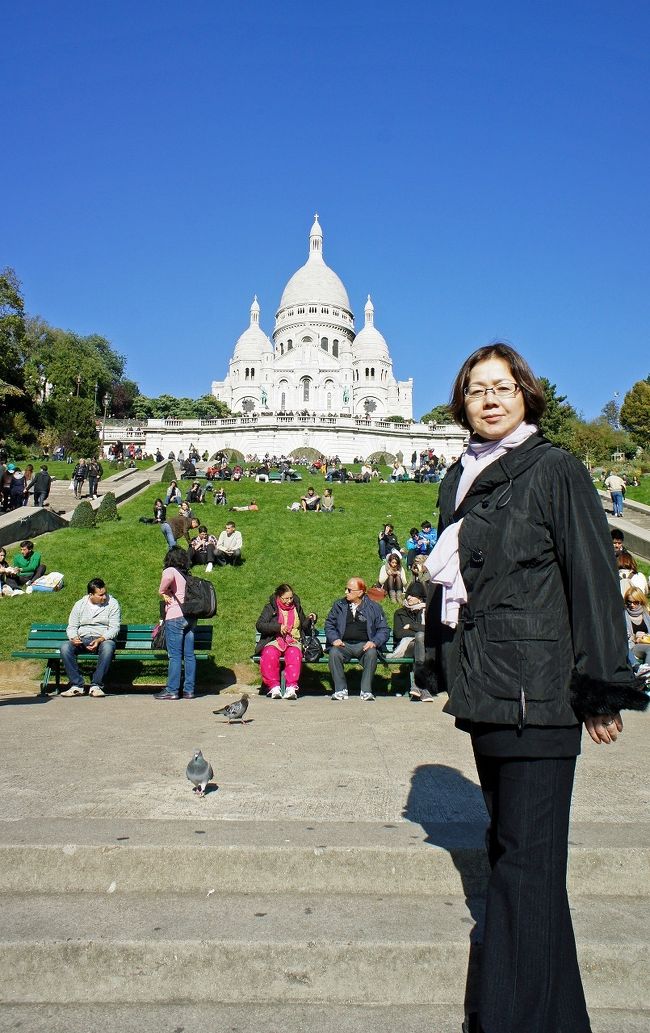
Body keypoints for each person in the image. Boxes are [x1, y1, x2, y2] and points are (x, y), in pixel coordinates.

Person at [420, 342, 647, 1033]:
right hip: (489, 691)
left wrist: (602, 684)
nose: (490, 398)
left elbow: (592, 577)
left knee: (526, 868)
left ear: (527, 396)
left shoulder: (555, 469)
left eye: (504, 387)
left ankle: (504, 1019)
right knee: (520, 861)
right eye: (477, 389)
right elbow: (455, 593)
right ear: (462, 402)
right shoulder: (457, 480)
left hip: (540, 696)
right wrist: (441, 662)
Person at [325, 577, 389, 701]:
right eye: (346, 589)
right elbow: (329, 624)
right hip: (344, 645)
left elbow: (384, 629)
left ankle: (366, 690)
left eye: (349, 590)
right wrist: (334, 639)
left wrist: (374, 642)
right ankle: (340, 689)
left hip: (364, 645)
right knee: (334, 652)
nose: (345, 592)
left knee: (371, 653)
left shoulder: (373, 607)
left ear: (360, 592)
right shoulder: (339, 605)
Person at [59, 578, 121, 697]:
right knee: (65, 647)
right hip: (82, 638)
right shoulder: (79, 604)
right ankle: (77, 685)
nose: (104, 597)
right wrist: (73, 637)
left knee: (108, 647)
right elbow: (72, 626)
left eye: (105, 593)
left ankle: (96, 685)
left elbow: (114, 628)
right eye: (101, 595)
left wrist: (101, 639)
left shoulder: (113, 603)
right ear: (91, 594)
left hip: (103, 638)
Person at [255, 584, 317, 699]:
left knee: (294, 654)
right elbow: (260, 625)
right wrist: (278, 627)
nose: (289, 601)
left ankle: (291, 687)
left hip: (293, 640)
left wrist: (310, 619)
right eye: (286, 598)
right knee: (269, 653)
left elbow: (303, 625)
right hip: (275, 640)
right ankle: (274, 687)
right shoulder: (270, 608)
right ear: (279, 597)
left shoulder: (296, 606)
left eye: (291, 598)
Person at [155, 547, 197, 700]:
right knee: (189, 655)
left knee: (175, 656)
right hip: (190, 617)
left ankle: (172, 690)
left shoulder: (170, 570)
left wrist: (161, 591)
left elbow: (166, 580)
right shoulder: (186, 574)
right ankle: (189, 690)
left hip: (175, 616)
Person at [392, 582, 432, 700]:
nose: (408, 597)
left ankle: (417, 687)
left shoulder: (426, 612)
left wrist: (411, 626)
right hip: (405, 648)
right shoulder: (400, 613)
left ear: (420, 599)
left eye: (412, 595)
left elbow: (432, 630)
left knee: (420, 638)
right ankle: (422, 687)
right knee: (420, 637)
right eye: (408, 594)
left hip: (423, 647)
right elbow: (399, 634)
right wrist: (419, 630)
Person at [623, 586, 650, 666]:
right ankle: (645, 672)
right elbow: (622, 637)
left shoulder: (646, 614)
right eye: (629, 602)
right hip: (633, 646)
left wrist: (645, 637)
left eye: (635, 602)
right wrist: (635, 637)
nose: (632, 605)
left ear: (641, 601)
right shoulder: (623, 615)